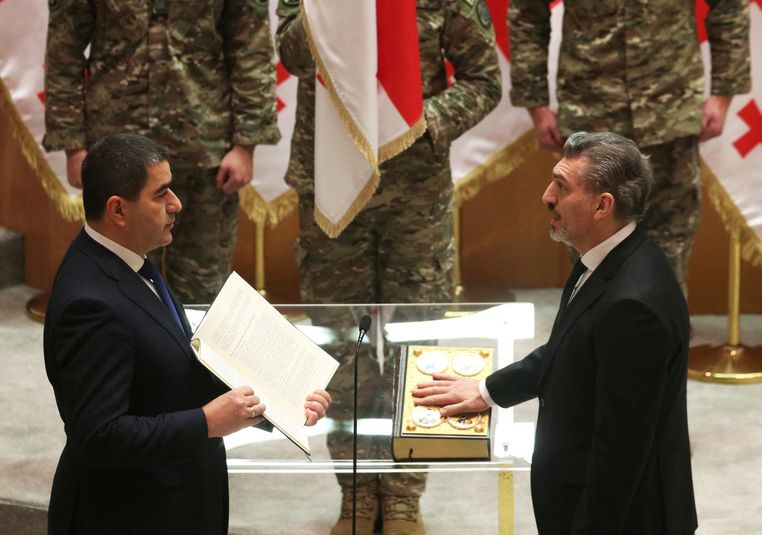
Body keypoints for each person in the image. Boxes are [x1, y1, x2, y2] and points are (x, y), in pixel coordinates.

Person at [275, 1, 501, 533]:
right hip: (332, 183)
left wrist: (421, 123)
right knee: (339, 344)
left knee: (415, 342)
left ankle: (403, 495)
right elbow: (289, 52)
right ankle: (355, 491)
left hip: (414, 194)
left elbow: (484, 80)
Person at [42, 134, 331, 535]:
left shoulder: (128, 259)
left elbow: (174, 368)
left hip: (176, 496)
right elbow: (99, 435)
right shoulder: (89, 305)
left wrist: (278, 403)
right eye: (161, 194)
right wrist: (207, 423)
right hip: (129, 514)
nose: (176, 203)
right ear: (118, 210)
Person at [413, 132, 697, 535]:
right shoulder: (604, 257)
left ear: (603, 205)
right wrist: (489, 390)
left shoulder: (633, 306)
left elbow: (620, 452)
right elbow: (575, 349)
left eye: (561, 188)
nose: (547, 196)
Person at [43, 0, 280, 303]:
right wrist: (73, 146)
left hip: (204, 148)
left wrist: (245, 146)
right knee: (118, 283)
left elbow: (251, 49)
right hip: (117, 156)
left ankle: (194, 352)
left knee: (204, 291)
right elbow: (64, 53)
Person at [508, 0, 751, 294]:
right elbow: (526, 11)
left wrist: (723, 92)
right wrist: (535, 102)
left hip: (669, 110)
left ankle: (662, 337)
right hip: (591, 113)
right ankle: (592, 337)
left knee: (668, 253)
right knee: (589, 252)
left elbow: (730, 6)